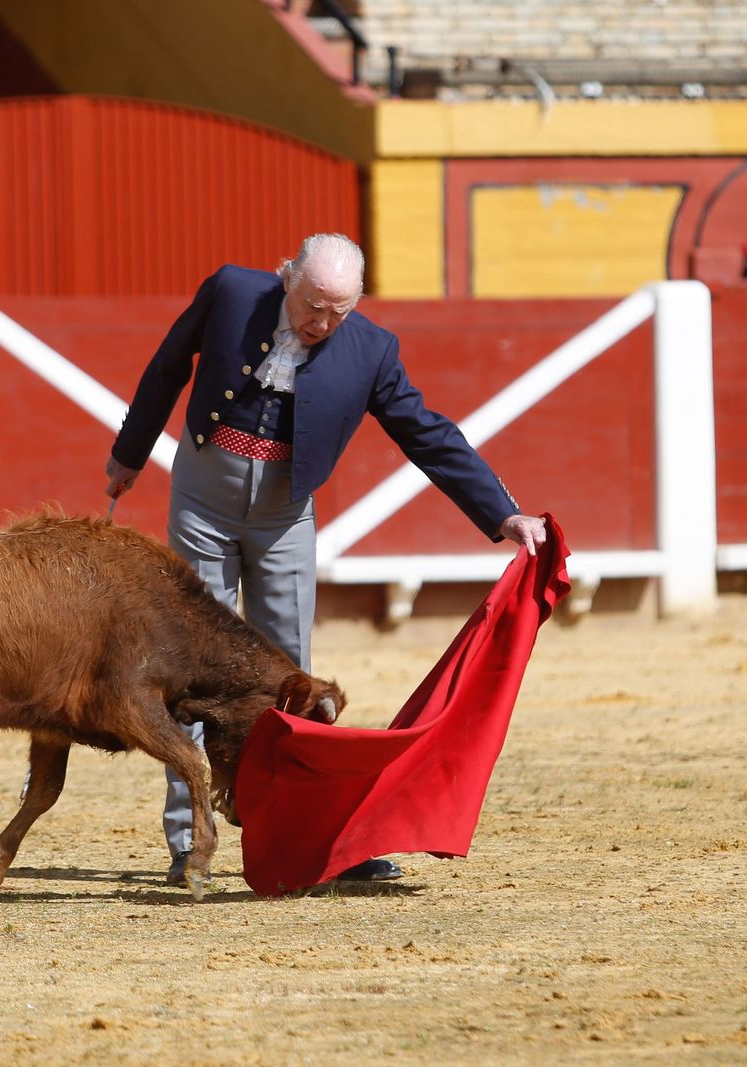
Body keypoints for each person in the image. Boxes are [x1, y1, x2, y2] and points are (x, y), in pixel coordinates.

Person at [104, 233, 548, 888]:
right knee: (192, 666)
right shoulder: (231, 291)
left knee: (289, 675)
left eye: (337, 312)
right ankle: (189, 836)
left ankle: (302, 832)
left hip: (285, 513)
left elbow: (426, 431)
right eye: (313, 305)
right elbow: (170, 364)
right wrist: (130, 453)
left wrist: (501, 512)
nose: (322, 323)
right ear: (289, 278)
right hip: (203, 498)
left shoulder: (370, 350)